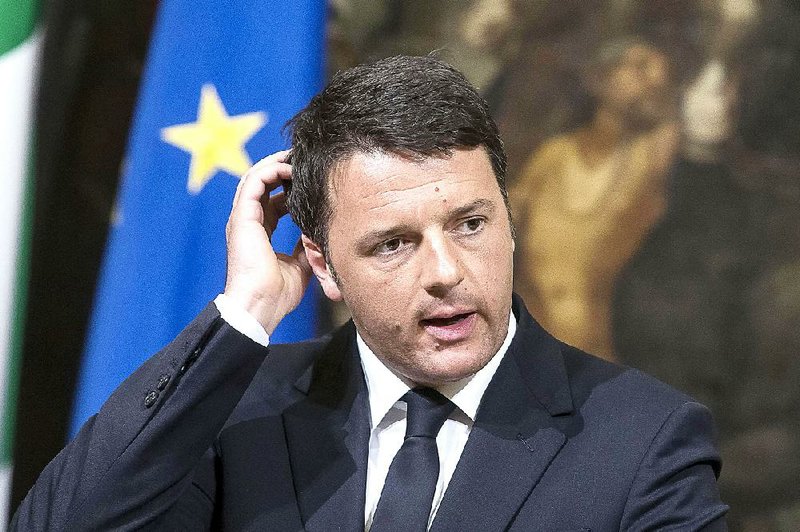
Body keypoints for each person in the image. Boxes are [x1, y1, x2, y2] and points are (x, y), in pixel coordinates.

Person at [13, 55, 727, 530]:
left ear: (509, 222)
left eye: (471, 223)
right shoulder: (237, 413)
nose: (446, 270)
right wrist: (245, 310)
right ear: (322, 266)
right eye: (394, 243)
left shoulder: (645, 440)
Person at [511, 37, 678, 361]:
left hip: (584, 352)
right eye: (640, 67)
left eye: (661, 76)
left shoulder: (646, 160)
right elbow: (505, 219)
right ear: (602, 77)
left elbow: (667, 128)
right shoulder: (554, 154)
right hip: (520, 340)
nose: (652, 80)